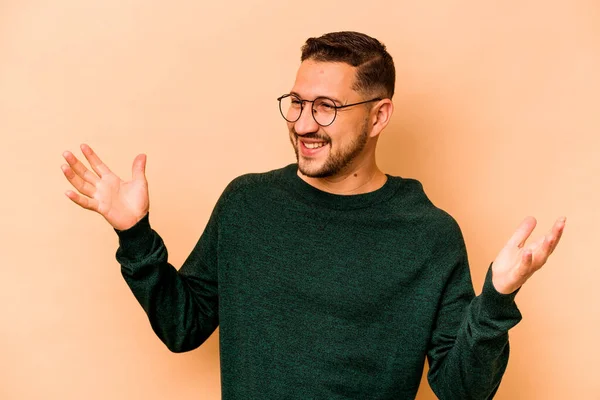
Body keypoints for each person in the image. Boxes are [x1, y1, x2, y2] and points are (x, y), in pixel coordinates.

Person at [61, 31, 565, 399]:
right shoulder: (247, 204)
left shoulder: (429, 235)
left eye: (326, 107)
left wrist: (497, 300)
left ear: (379, 115)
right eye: (297, 103)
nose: (304, 124)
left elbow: (462, 390)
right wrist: (134, 234)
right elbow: (182, 328)